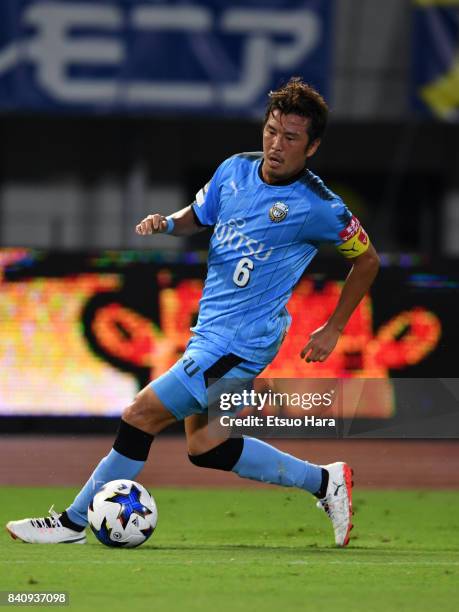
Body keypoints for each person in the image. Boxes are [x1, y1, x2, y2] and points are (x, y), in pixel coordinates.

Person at [6, 77, 379, 547]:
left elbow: (367, 261)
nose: (275, 145)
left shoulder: (320, 205)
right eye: (270, 131)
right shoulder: (234, 171)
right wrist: (167, 223)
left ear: (313, 146)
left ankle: (74, 522)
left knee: (140, 414)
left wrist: (333, 327)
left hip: (240, 342)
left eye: (290, 138)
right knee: (206, 447)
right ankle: (326, 483)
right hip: (211, 333)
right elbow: (198, 217)